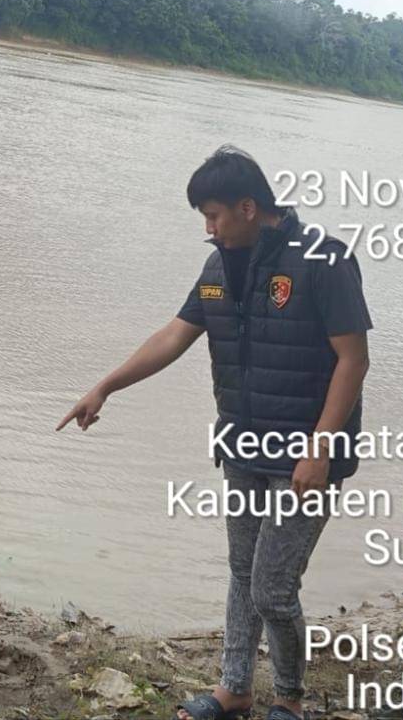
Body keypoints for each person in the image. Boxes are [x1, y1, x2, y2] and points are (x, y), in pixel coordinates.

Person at [57, 147, 371, 720]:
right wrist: (105, 386)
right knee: (242, 573)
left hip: (306, 456)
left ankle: (291, 700)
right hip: (243, 448)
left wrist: (320, 450)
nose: (208, 228)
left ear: (249, 207)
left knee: (272, 587)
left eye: (214, 216)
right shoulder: (217, 271)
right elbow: (177, 335)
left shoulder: (323, 261)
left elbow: (353, 360)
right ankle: (235, 688)